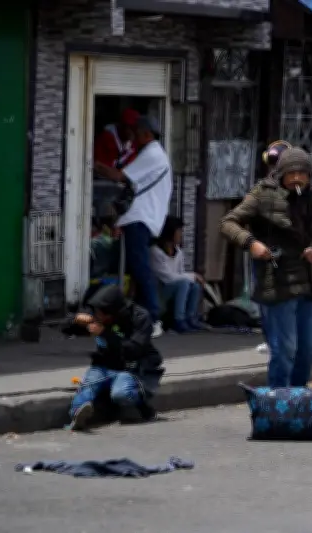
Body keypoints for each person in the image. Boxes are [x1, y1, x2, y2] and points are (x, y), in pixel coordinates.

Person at [220, 147, 312, 388]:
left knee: (309, 351)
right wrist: (252, 243)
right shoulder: (262, 195)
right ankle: (279, 400)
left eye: (303, 173)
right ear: (282, 173)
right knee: (284, 350)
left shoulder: (307, 198)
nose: (297, 178)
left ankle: (297, 400)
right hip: (276, 284)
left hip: (305, 285)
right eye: (292, 173)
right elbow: (228, 223)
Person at [94, 116, 173, 338]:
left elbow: (121, 175)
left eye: (137, 133)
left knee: (140, 268)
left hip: (140, 218)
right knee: (134, 270)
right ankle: (137, 317)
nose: (134, 138)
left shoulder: (152, 154)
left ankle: (154, 317)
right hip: (143, 219)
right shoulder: (155, 154)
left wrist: (94, 164)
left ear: (147, 134)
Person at [66, 285, 164, 431]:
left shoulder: (139, 317)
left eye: (102, 314)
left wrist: (105, 333)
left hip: (130, 367)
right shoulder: (97, 313)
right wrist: (75, 320)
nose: (98, 316)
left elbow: (133, 349)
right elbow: (65, 327)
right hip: (104, 364)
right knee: (89, 385)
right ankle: (78, 414)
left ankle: (140, 404)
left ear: (113, 313)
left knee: (121, 393)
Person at [150, 216, 205, 333]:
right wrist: (193, 276)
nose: (181, 235)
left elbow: (180, 274)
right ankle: (178, 320)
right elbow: (168, 277)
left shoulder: (179, 252)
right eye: (179, 231)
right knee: (185, 282)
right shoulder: (156, 252)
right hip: (161, 292)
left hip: (176, 290)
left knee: (194, 285)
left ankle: (190, 317)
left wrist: (192, 278)